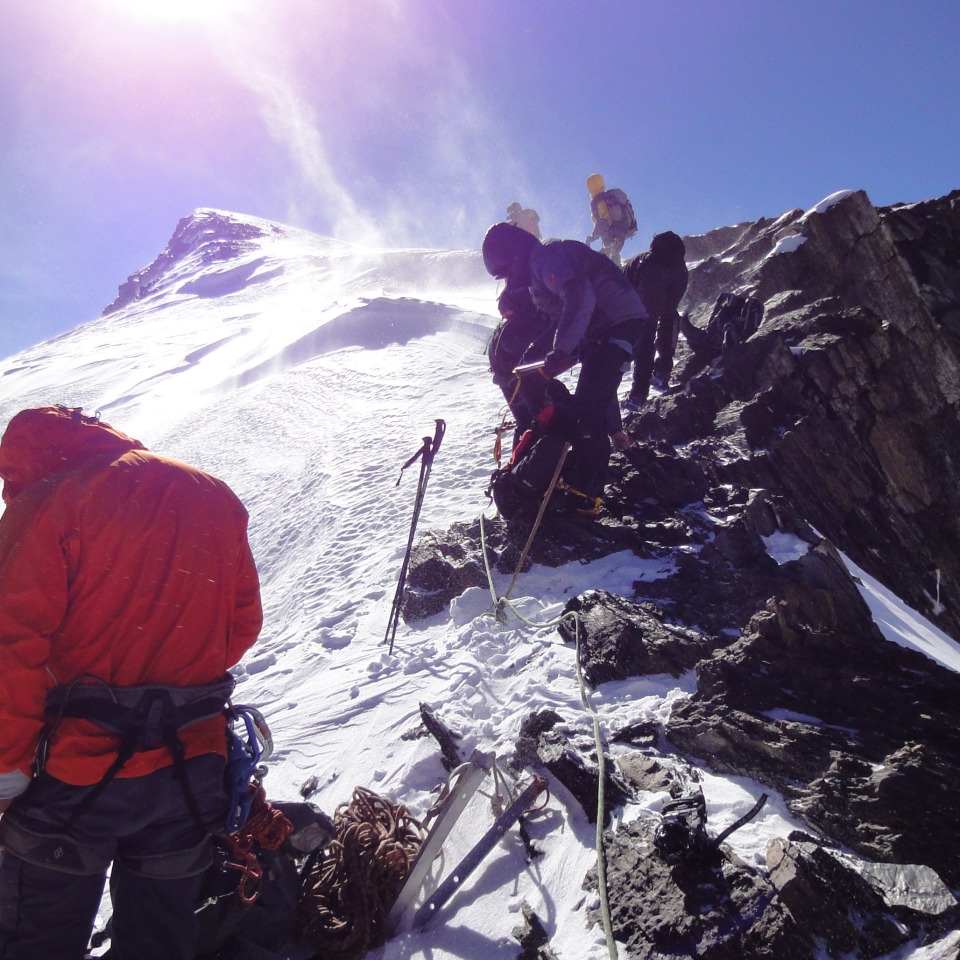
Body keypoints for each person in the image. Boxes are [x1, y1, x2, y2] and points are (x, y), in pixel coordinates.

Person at [0, 406, 263, 960]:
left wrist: (6, 771)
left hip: (76, 772)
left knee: (36, 941)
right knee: (161, 941)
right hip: (192, 769)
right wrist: (169, 664)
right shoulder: (212, 493)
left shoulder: (49, 499)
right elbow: (240, 630)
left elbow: (11, 646)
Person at [482, 223, 649, 510]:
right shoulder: (541, 267)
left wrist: (560, 350)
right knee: (591, 396)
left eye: (506, 271)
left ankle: (584, 493)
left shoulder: (547, 255)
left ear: (514, 256)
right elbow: (566, 323)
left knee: (586, 412)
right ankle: (578, 479)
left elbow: (579, 295)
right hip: (609, 328)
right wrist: (537, 355)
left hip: (614, 323)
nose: (509, 280)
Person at [623, 231, 689, 408]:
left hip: (651, 279)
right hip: (680, 277)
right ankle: (663, 372)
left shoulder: (640, 263)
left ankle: (638, 394)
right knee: (668, 318)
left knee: (645, 335)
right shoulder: (679, 265)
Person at [488, 280, 555, 448]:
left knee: (527, 425)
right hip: (521, 381)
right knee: (537, 424)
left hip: (509, 382)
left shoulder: (507, 328)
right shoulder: (519, 327)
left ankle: (521, 465)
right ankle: (533, 463)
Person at [585, 173, 637, 266]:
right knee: (613, 255)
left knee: (609, 259)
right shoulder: (611, 197)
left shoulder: (597, 201)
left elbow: (602, 223)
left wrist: (592, 237)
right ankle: (620, 270)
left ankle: (618, 274)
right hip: (624, 230)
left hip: (612, 235)